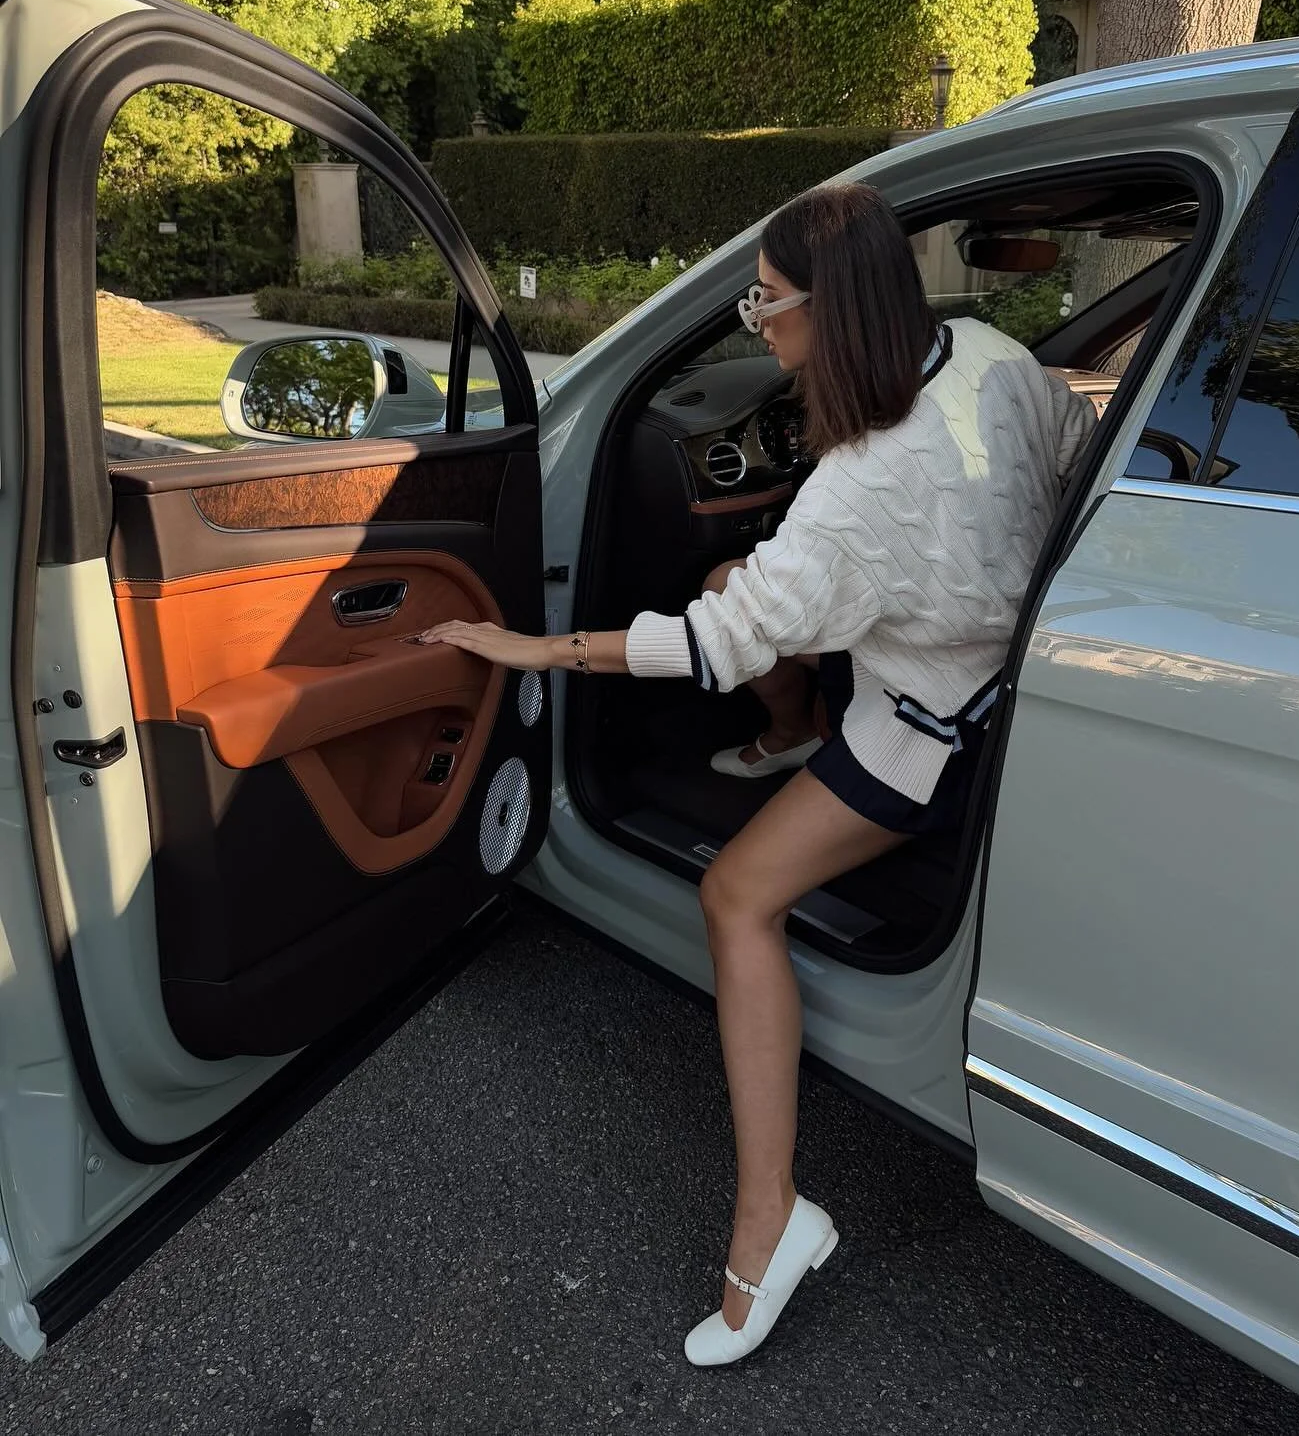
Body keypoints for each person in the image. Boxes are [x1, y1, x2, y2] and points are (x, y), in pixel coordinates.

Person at [420, 183, 1097, 1365]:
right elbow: (1077, 454)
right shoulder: (988, 352)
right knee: (743, 579)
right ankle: (790, 738)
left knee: (736, 893)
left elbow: (708, 650)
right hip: (996, 666)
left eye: (765, 303)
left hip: (928, 732)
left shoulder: (855, 490)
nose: (756, 327)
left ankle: (771, 1216)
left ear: (829, 310)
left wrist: (537, 646)